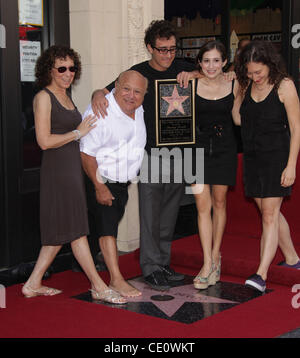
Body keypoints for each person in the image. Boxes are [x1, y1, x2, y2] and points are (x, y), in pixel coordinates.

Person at [91, 20, 199, 291]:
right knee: (151, 214)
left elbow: (222, 73)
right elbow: (106, 91)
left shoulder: (184, 67)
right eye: (162, 50)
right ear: (150, 47)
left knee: (170, 214)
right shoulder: (137, 72)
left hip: (182, 151)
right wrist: (96, 93)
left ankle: (162, 263)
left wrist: (196, 75)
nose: (168, 55)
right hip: (150, 154)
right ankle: (150, 267)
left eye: (172, 49)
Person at [21, 45, 127, 305]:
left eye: (72, 68)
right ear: (49, 70)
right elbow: (44, 141)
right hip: (58, 171)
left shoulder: (67, 96)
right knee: (77, 229)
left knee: (63, 228)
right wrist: (78, 133)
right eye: (62, 68)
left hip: (71, 168)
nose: (68, 73)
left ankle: (33, 282)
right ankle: (99, 286)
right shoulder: (44, 97)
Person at [232, 40, 300, 292]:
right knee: (269, 212)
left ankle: (260, 275)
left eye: (258, 72)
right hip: (253, 157)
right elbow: (238, 119)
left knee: (270, 215)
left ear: (270, 65)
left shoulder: (285, 86)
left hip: (277, 157)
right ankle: (292, 259)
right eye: (250, 72)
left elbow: (296, 128)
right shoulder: (246, 84)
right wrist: (238, 90)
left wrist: (291, 165)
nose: (255, 77)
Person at [80, 70, 148, 298]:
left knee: (99, 225)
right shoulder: (100, 112)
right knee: (108, 229)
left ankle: (77, 263)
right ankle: (117, 279)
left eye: (138, 91)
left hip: (122, 180)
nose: (131, 95)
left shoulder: (138, 109)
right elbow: (87, 154)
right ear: (115, 86)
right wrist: (100, 186)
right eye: (126, 89)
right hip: (102, 177)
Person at [191, 41, 239, 290]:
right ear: (199, 63)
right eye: (206, 61)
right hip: (196, 151)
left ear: (224, 62)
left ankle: (216, 255)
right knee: (202, 205)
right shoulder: (190, 83)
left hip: (224, 149)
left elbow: (239, 119)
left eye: (216, 61)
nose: (211, 66)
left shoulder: (234, 83)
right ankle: (207, 263)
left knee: (219, 203)